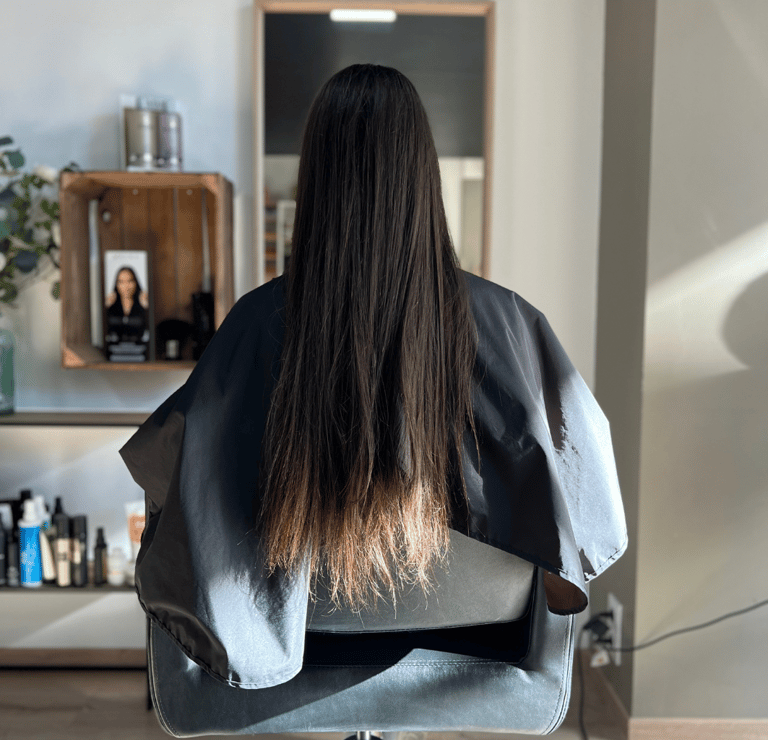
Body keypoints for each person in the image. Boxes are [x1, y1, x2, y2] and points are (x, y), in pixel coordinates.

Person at [119, 64, 626, 732]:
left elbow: (186, 499)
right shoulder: (509, 324)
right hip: (478, 636)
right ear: (423, 174)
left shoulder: (254, 326)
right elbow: (579, 491)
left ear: (315, 177)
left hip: (297, 644)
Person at [105, 265, 149, 346]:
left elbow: (150, 331)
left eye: (130, 281)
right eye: (121, 282)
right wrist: (106, 307)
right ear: (116, 284)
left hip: (139, 350)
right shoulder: (111, 307)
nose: (126, 286)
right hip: (113, 350)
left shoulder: (142, 305)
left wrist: (146, 307)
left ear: (136, 282)